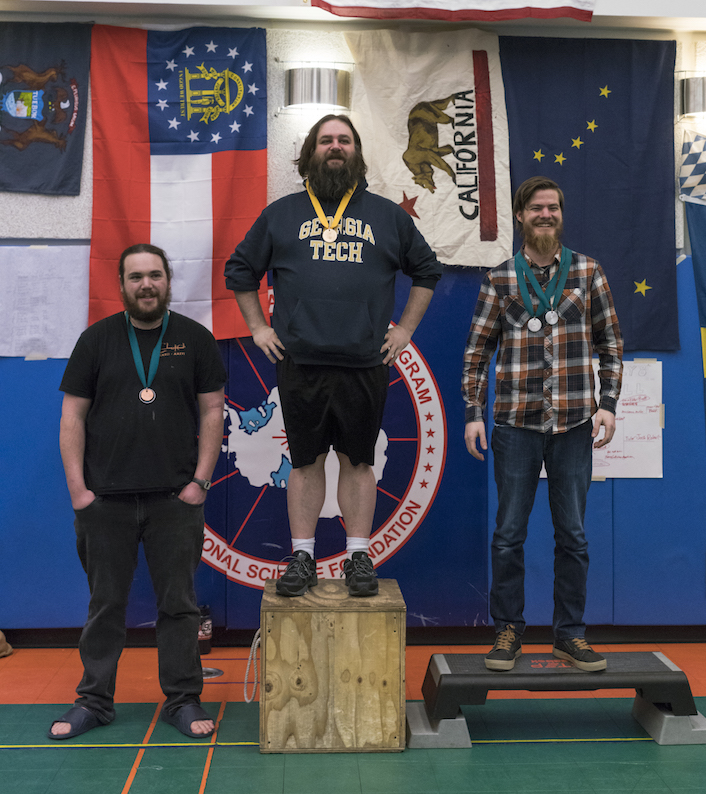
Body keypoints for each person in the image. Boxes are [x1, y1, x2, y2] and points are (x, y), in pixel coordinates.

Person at [225, 114, 441, 598]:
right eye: (326, 140)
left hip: (365, 362)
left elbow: (427, 270)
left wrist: (405, 329)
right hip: (300, 360)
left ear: (357, 152)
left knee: (358, 462)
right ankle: (302, 556)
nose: (335, 147)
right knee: (304, 462)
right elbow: (239, 272)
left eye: (344, 140)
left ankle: (358, 556)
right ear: (310, 153)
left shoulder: (387, 216)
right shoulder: (281, 214)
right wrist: (258, 327)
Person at [48, 245, 226, 741]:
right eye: (135, 277)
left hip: (176, 498)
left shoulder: (194, 339)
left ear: (168, 281)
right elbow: (72, 417)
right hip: (105, 501)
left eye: (154, 276)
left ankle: (183, 700)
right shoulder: (96, 340)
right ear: (121, 285)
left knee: (179, 605)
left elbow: (214, 412)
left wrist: (201, 482)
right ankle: (94, 701)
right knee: (105, 606)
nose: (145, 285)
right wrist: (79, 490)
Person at [463, 177, 623, 673]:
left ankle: (569, 636)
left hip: (575, 423)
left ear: (561, 214)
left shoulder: (589, 272)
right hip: (515, 424)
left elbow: (611, 344)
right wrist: (473, 412)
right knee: (509, 534)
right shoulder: (500, 279)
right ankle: (508, 630)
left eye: (553, 207)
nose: (546, 215)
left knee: (572, 535)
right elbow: (476, 353)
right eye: (536, 208)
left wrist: (609, 403)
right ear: (520, 216)